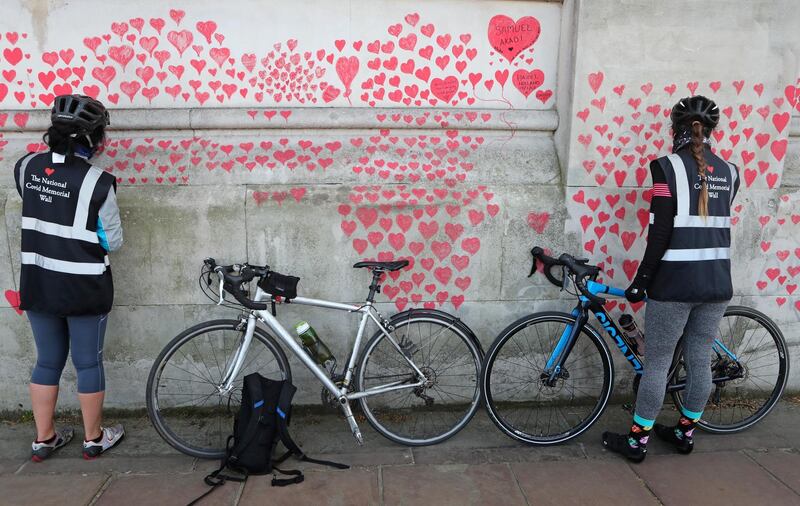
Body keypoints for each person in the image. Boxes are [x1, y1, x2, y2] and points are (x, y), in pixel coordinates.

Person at [602, 95, 740, 462]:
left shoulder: (665, 168)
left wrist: (641, 281)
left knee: (658, 365)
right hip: (717, 284)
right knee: (698, 360)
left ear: (675, 129)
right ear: (711, 131)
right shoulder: (731, 172)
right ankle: (684, 432)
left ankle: (637, 441)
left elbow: (660, 232)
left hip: (675, 285)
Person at [13, 94, 125, 461]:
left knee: (47, 360)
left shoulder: (26, 166)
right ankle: (93, 438)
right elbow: (114, 241)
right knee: (87, 362)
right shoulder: (100, 182)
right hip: (83, 286)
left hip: (38, 280)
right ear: (93, 139)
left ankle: (44, 438)